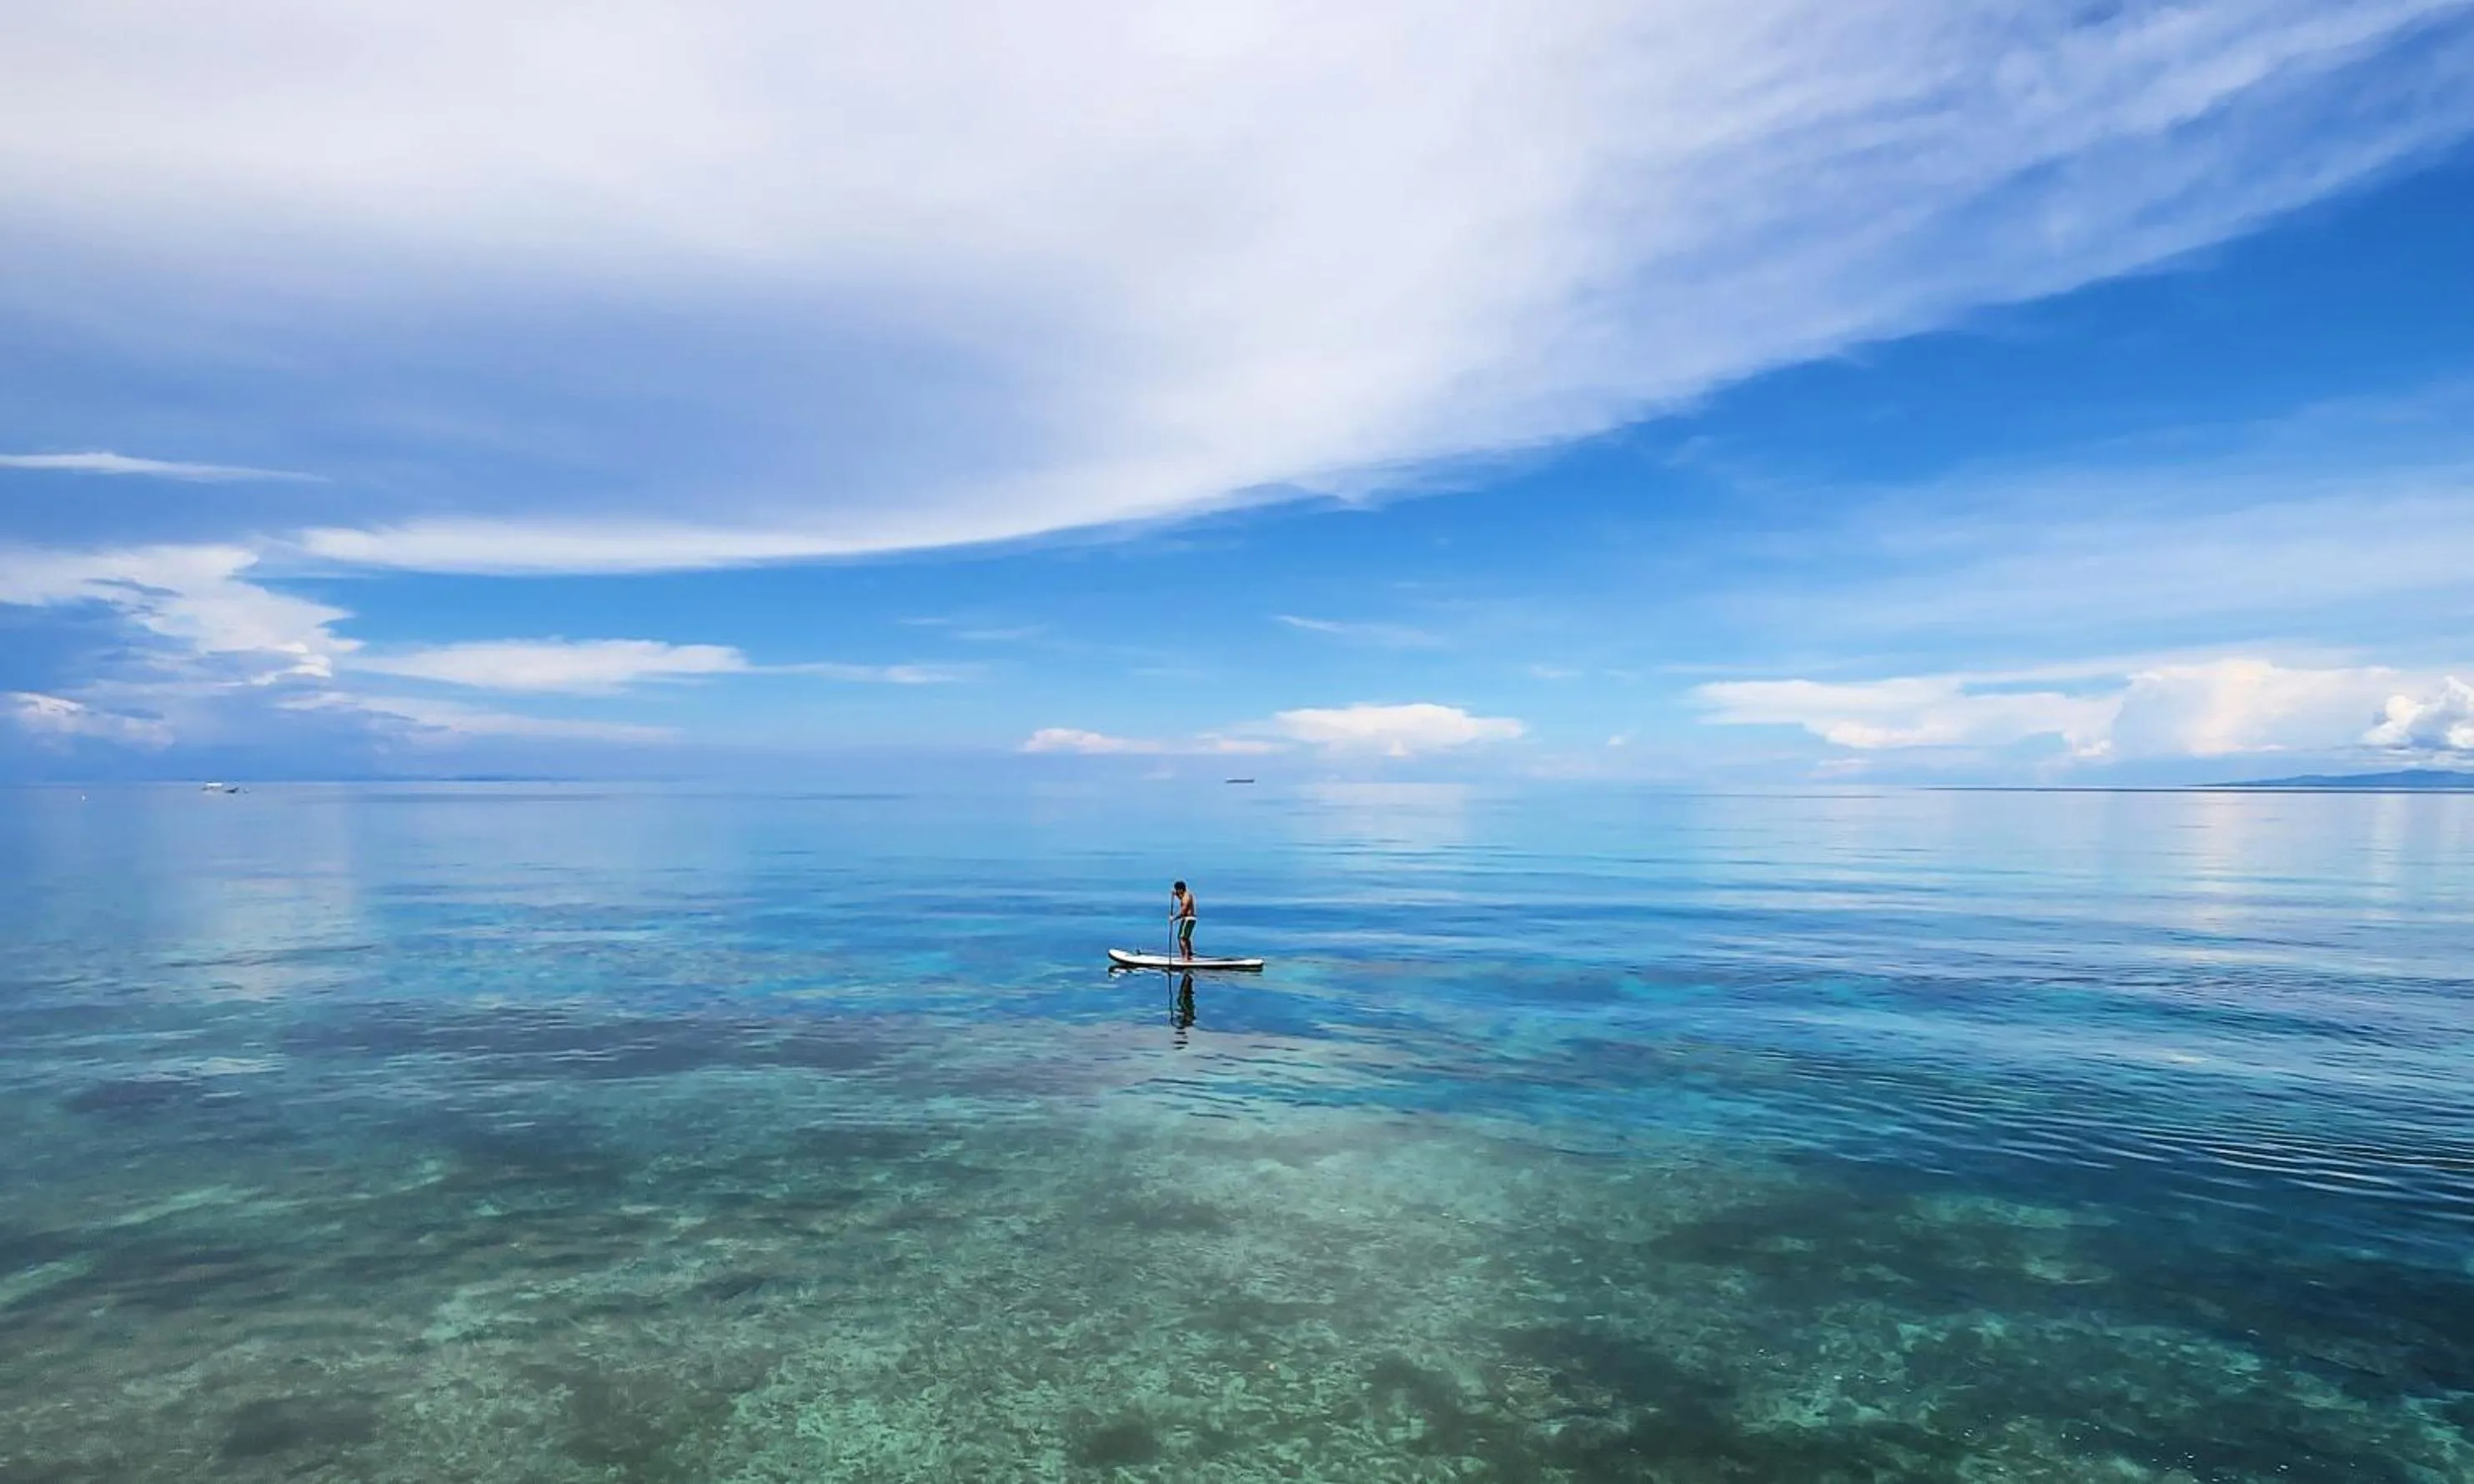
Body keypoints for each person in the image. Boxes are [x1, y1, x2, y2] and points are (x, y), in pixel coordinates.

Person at [1170, 880, 1197, 960]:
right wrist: (1175, 894)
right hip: (1192, 919)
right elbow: (1181, 898)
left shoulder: (1186, 898)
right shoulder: (1187, 895)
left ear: (1181, 889)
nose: (1177, 891)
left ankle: (1184, 957)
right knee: (1187, 937)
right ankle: (1189, 955)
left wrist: (1173, 918)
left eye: (1177, 890)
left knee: (1181, 938)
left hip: (1187, 919)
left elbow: (1183, 912)